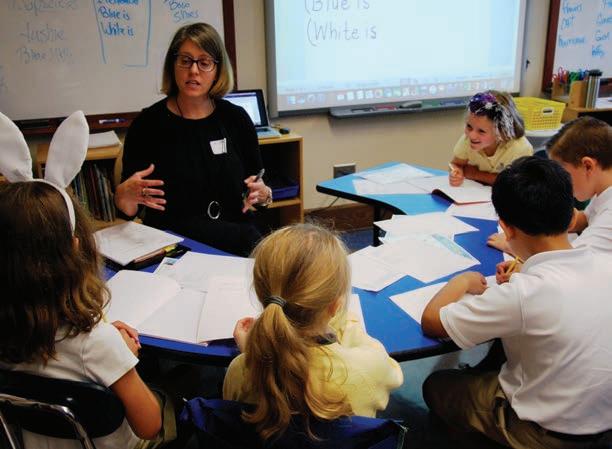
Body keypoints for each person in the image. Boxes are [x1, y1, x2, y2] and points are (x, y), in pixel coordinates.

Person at [421, 156, 612, 448]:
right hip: (602, 419)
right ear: (571, 217)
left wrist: (461, 282)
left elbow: (433, 322)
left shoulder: (523, 293)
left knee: (436, 386)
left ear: (506, 229)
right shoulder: (604, 263)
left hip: (547, 433)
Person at [0, 182, 174, 449]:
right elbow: (150, 426)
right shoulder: (98, 343)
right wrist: (123, 354)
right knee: (177, 396)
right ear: (75, 247)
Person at [223, 223, 403, 441]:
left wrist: (249, 354)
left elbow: (233, 406)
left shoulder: (240, 370)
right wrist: (348, 322)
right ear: (335, 306)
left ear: (263, 296)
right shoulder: (367, 367)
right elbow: (393, 373)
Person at [115, 22, 271, 257]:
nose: (194, 71)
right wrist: (123, 195)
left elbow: (258, 189)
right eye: (185, 61)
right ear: (173, 65)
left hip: (236, 237)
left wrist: (264, 195)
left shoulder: (236, 119)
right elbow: (129, 211)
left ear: (218, 69)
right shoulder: (147, 124)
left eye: (204, 62)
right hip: (174, 242)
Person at [488, 117, 612, 275]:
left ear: (587, 166)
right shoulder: (604, 190)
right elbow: (587, 218)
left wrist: (515, 246)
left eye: (564, 172)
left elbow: (569, 263)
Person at [449, 91, 532, 186]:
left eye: (481, 131)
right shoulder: (467, 140)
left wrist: (476, 174)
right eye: (469, 126)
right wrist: (457, 172)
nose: (471, 135)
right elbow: (456, 164)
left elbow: (517, 183)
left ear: (502, 132)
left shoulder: (520, 148)